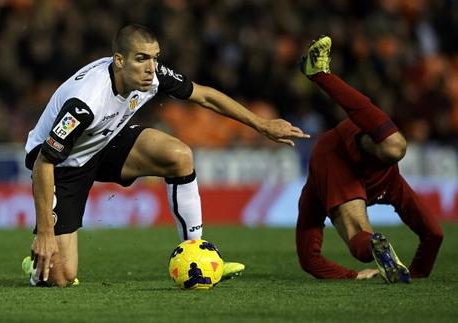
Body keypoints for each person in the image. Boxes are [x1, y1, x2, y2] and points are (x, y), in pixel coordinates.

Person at [22, 24, 308, 287]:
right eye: (142, 59)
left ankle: (198, 255)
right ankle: (35, 265)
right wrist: (46, 233)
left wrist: (262, 124)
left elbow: (205, 96)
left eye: (155, 58)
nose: (151, 68)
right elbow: (43, 162)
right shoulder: (85, 102)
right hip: (62, 164)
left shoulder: (153, 76)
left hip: (103, 139)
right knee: (61, 276)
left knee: (179, 155)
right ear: (119, 61)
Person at [295, 36, 443, 283]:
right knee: (395, 148)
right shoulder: (320, 184)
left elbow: (434, 235)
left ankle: (319, 74)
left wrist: (415, 275)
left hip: (369, 159)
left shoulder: (315, 193)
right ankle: (320, 74)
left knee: (377, 237)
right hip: (336, 156)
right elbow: (309, 259)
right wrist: (352, 275)